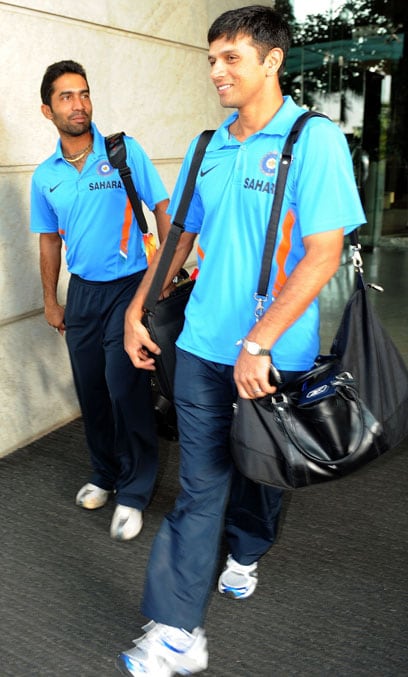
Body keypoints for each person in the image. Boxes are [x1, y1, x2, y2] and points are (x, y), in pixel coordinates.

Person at [117, 5, 366, 675]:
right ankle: (176, 632)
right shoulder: (209, 146)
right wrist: (139, 308)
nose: (217, 70)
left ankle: (249, 548)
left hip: (270, 356)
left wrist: (260, 341)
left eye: (231, 57)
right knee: (201, 487)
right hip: (199, 348)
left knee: (260, 472)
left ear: (271, 60)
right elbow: (180, 239)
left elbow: (323, 253)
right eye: (211, 58)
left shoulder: (313, 141)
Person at [30, 60, 171, 541]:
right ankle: (104, 474)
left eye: (84, 93)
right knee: (90, 389)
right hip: (83, 292)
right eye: (67, 97)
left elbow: (164, 210)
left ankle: (135, 489)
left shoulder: (123, 152)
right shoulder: (44, 176)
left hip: (130, 286)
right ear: (47, 110)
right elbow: (49, 240)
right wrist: (51, 300)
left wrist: (163, 277)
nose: (79, 104)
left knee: (123, 385)